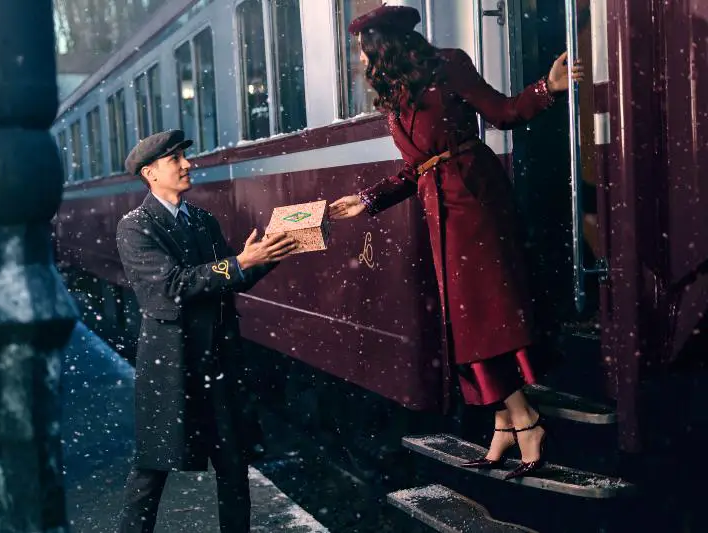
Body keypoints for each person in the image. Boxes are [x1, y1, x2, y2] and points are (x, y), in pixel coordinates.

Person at [330, 5, 584, 480]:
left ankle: (526, 419)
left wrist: (545, 90)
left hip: (475, 200)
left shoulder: (449, 65)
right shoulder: (397, 92)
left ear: (383, 45)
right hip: (441, 209)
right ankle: (503, 423)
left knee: (483, 317)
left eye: (364, 51)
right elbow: (416, 168)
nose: (361, 61)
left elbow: (503, 112)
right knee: (465, 322)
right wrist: (365, 200)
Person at [115, 129, 298, 532]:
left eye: (184, 157)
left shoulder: (201, 220)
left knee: (234, 468)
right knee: (151, 470)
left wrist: (272, 252)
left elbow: (230, 280)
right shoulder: (135, 228)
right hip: (172, 368)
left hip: (218, 361)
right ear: (150, 173)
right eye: (175, 160)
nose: (187, 165)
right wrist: (239, 263)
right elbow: (172, 286)